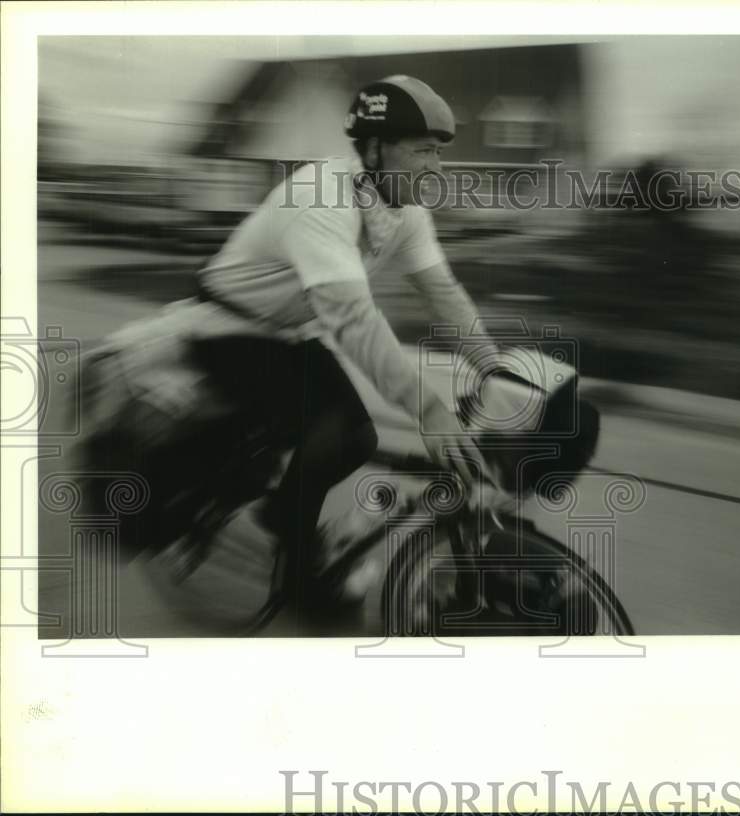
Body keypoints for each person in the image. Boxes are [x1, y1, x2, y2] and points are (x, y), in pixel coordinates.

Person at [84, 76, 509, 602]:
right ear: (375, 149)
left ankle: (290, 525)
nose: (436, 167)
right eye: (423, 151)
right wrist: (430, 410)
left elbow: (442, 292)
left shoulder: (404, 209)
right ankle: (291, 540)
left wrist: (493, 369)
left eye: (438, 152)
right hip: (227, 326)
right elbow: (353, 320)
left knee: (341, 435)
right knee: (346, 433)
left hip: (287, 333)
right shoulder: (323, 197)